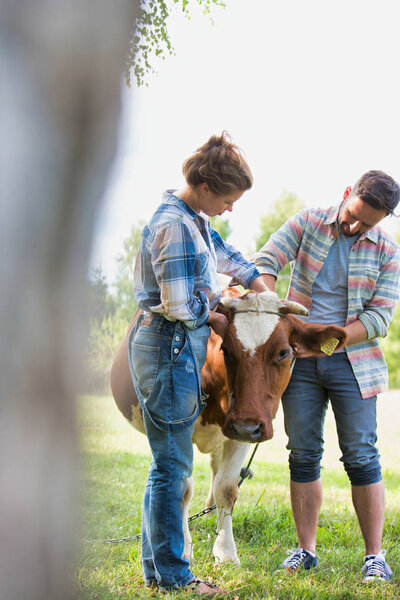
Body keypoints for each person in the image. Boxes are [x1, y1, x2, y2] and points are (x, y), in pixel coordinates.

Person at [129, 132, 269, 596]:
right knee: (173, 466)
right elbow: (177, 304)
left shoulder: (197, 222)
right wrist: (220, 318)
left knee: (166, 464)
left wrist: (266, 297)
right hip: (166, 345)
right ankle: (175, 575)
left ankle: (156, 568)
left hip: (178, 346)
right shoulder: (173, 224)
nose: (229, 209)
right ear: (206, 187)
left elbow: (228, 258)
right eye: (227, 200)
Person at [253, 170, 400, 582]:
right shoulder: (307, 222)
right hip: (296, 362)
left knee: (361, 456)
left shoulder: (389, 251)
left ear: (383, 220)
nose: (355, 226)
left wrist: (327, 342)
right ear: (347, 193)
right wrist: (273, 310)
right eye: (353, 215)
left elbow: (378, 318)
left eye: (367, 223)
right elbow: (266, 261)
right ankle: (305, 550)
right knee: (302, 453)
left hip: (353, 362)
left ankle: (375, 556)